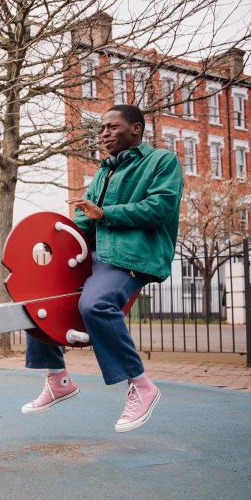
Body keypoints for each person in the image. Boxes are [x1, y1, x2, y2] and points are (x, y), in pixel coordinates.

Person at [20, 104, 183, 432]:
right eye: (101, 129)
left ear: (136, 129)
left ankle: (141, 384)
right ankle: (57, 379)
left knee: (95, 304)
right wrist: (52, 244)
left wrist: (106, 214)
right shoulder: (104, 172)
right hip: (96, 254)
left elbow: (161, 207)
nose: (104, 134)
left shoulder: (162, 162)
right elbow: (84, 219)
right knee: (38, 297)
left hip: (132, 256)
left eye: (112, 127)